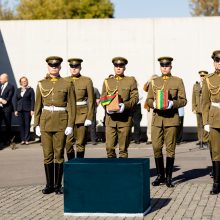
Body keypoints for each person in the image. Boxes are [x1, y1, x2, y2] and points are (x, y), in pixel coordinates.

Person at [34, 56, 76, 194]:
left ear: (60, 67)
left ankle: (58, 185)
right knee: (47, 154)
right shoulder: (41, 84)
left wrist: (70, 124)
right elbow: (38, 106)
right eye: (51, 66)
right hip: (45, 121)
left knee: (59, 154)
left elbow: (72, 106)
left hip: (61, 121)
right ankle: (49, 185)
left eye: (56, 66)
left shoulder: (67, 83)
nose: (54, 68)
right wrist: (36, 124)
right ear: (48, 67)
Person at [146, 57, 187, 187]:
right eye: (162, 65)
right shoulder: (154, 82)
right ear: (160, 67)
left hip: (171, 119)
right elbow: (148, 99)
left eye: (167, 65)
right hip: (157, 119)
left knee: (170, 149)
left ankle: (169, 177)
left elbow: (183, 100)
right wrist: (154, 104)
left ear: (171, 67)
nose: (164, 67)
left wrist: (172, 104)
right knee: (156, 147)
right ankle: (160, 175)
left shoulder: (178, 81)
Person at [101, 57, 138, 158]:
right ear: (114, 67)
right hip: (110, 119)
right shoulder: (107, 81)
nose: (118, 68)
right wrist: (106, 108)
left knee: (123, 149)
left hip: (125, 119)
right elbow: (103, 98)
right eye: (116, 66)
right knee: (109, 148)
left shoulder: (130, 81)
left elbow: (135, 98)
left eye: (121, 66)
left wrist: (124, 106)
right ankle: (112, 171)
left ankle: (122, 171)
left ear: (124, 68)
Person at [65, 58, 94, 159]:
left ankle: (79, 165)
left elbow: (91, 100)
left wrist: (89, 117)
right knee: (68, 143)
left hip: (82, 115)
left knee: (80, 143)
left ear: (80, 67)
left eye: (76, 67)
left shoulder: (86, 80)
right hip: (68, 115)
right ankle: (71, 164)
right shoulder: (64, 80)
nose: (74, 69)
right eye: (72, 67)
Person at [202, 50, 220, 195]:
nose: (218, 63)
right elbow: (205, 102)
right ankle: (217, 183)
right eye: (216, 60)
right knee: (215, 151)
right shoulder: (208, 79)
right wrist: (205, 121)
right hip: (214, 119)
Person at [14, 76, 35, 145]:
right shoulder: (18, 90)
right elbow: (15, 100)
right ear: (20, 83)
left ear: (27, 81)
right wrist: (15, 110)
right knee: (21, 124)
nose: (24, 82)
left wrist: (32, 110)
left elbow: (32, 100)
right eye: (22, 81)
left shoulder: (30, 90)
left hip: (27, 109)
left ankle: (27, 139)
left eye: (25, 81)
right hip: (19, 110)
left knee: (27, 124)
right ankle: (22, 139)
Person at [192, 71, 209, 149]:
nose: (202, 77)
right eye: (201, 76)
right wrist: (193, 108)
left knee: (205, 124)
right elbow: (193, 98)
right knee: (199, 125)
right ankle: (200, 140)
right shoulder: (196, 85)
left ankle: (206, 140)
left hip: (205, 109)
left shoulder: (208, 85)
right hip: (198, 108)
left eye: (204, 76)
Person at [0, 73, 15, 146]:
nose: (0, 80)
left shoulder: (11, 86)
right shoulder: (1, 86)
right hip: (0, 109)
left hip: (7, 109)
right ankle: (2, 140)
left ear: (6, 79)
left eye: (1, 79)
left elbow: (8, 99)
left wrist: (2, 100)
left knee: (7, 124)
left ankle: (8, 140)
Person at [143, 74, 159, 144]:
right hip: (150, 105)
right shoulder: (150, 84)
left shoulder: (160, 84)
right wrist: (149, 81)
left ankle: (159, 137)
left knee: (159, 123)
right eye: (153, 79)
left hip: (159, 105)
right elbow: (145, 89)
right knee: (150, 122)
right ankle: (150, 138)